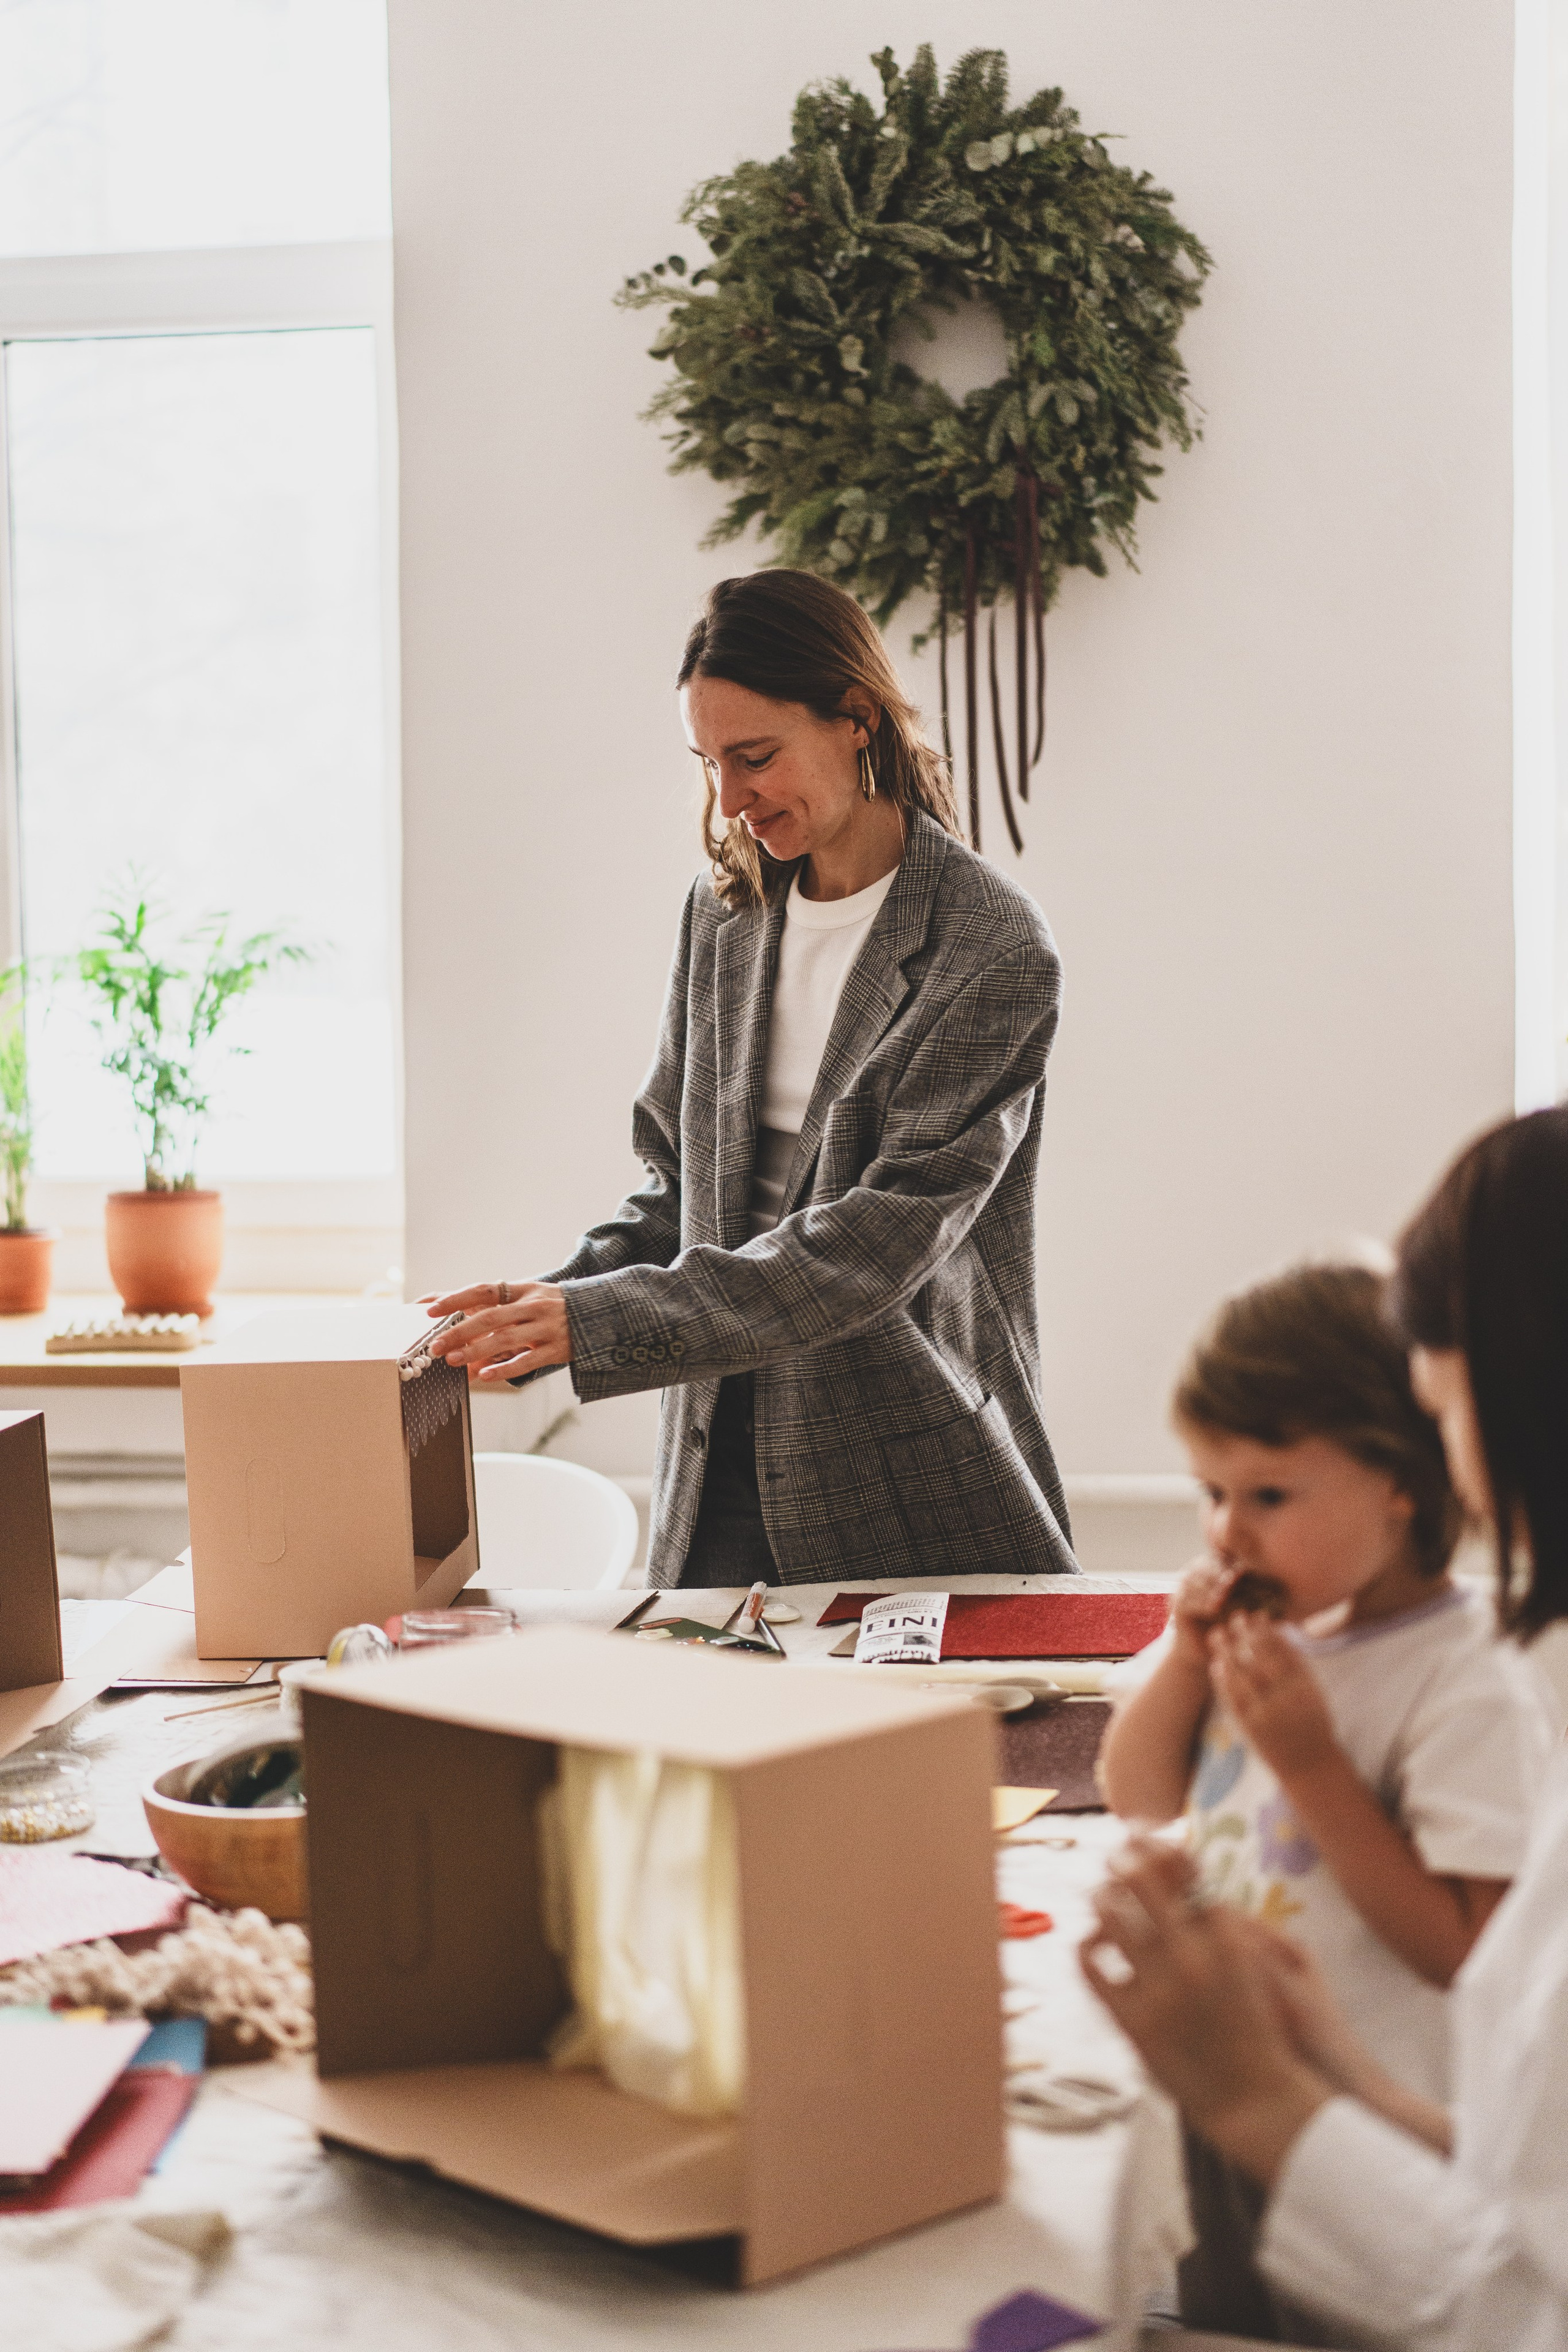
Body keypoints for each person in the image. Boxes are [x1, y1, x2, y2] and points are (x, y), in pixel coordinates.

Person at [423, 570, 1076, 1587]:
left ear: (856, 719)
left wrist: (602, 1324)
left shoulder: (990, 947)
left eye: (755, 757)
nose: (729, 799)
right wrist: (555, 1297)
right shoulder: (723, 915)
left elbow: (875, 1245)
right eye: (709, 763)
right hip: (712, 1459)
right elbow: (685, 1190)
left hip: (903, 1480)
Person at [1082, 1106, 1568, 2352]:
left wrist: (1265, 2091)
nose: (1467, 1486)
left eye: (1453, 1422)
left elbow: (1515, 2295)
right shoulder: (1292, 1634)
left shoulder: (1475, 1677)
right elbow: (1516, 2196)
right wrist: (1303, 2071)